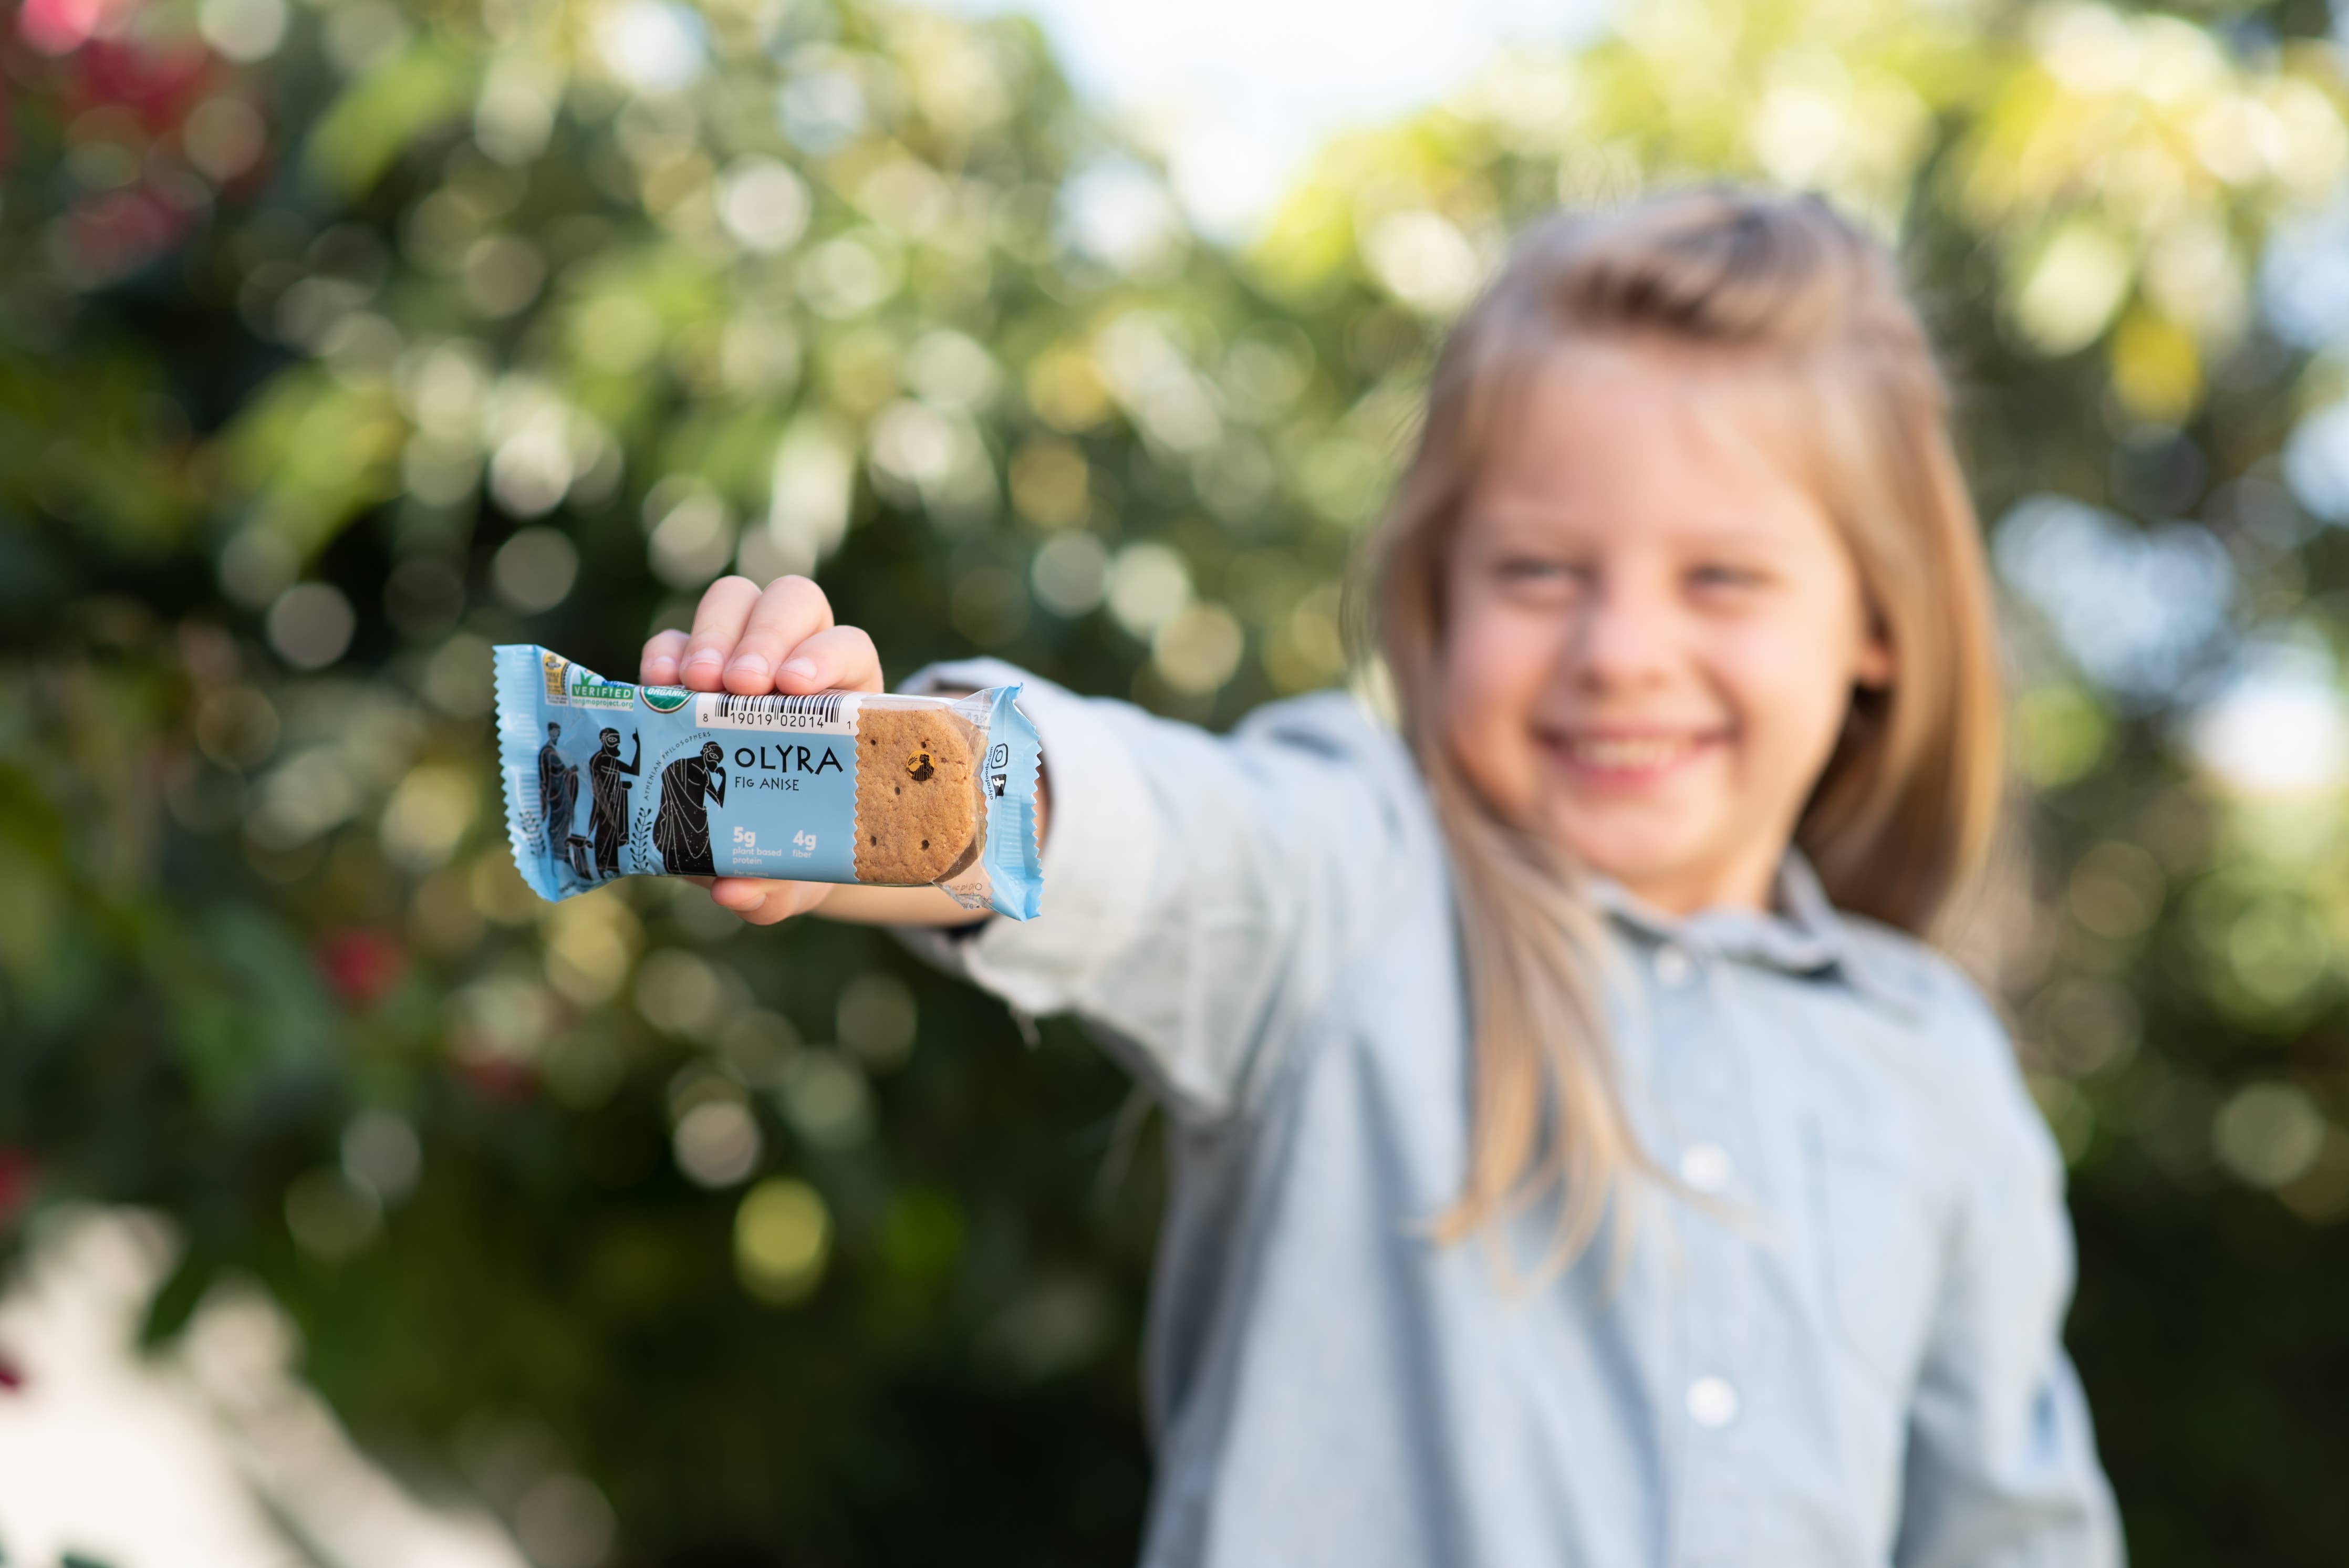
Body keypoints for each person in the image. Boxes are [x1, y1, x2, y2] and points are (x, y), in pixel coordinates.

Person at [637, 186, 2125, 1566]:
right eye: (1541, 570)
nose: (1622, 651)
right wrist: (817, 774)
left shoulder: (1938, 1077)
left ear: (1878, 622)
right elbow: (1151, 828)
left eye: (1721, 579)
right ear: (1439, 594)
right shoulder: (1355, 886)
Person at [653, 740, 727, 876]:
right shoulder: (683, 764)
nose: (715, 763)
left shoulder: (706, 775)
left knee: (705, 863)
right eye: (714, 757)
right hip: (679, 819)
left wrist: (724, 779)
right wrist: (681, 803)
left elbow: (719, 801)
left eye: (718, 761)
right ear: (705, 751)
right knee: (677, 856)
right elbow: (667, 776)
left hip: (698, 823)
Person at [587, 727, 639, 876]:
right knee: (605, 834)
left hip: (616, 804)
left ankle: (611, 866)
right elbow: (598, 783)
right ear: (603, 740)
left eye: (617, 740)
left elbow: (634, 770)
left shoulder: (612, 761)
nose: (615, 744)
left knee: (613, 836)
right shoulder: (599, 759)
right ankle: (602, 866)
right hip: (603, 804)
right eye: (612, 740)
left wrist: (638, 746)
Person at [536, 722, 579, 860]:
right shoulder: (547, 752)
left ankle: (564, 848)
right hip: (555, 792)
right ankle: (557, 849)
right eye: (554, 733)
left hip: (563, 789)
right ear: (549, 733)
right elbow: (552, 770)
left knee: (566, 817)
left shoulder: (559, 750)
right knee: (557, 819)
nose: (556, 735)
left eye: (558, 733)